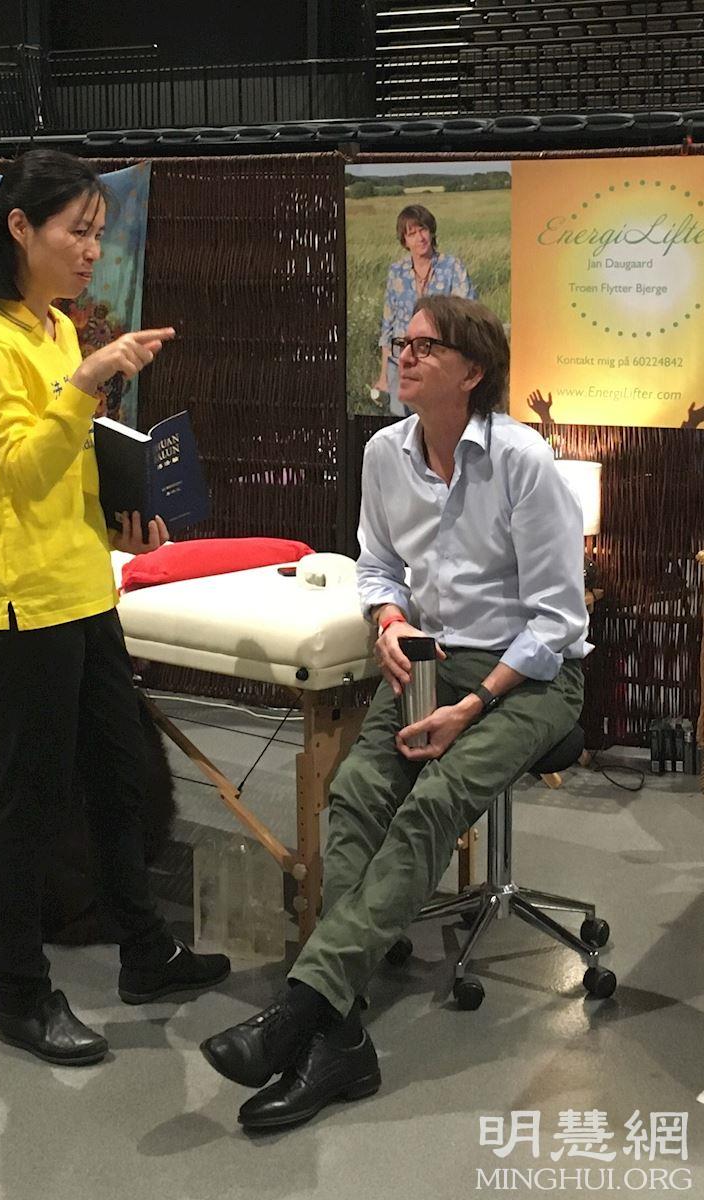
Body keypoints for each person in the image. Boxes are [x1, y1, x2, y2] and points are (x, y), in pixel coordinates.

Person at [201, 295, 589, 1131]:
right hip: (428, 661)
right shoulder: (385, 454)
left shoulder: (524, 461)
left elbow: (559, 622)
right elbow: (377, 564)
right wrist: (388, 622)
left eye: (424, 345)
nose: (403, 355)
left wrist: (473, 706)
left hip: (530, 676)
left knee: (434, 802)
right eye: (400, 342)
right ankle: (339, 1034)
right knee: (353, 798)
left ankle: (303, 1011)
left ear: (472, 371)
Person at [0, 149, 229, 1067]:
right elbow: (23, 472)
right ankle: (20, 995)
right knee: (31, 800)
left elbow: (69, 466)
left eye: (99, 234)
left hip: (85, 588)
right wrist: (88, 379)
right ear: (19, 228)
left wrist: (122, 516)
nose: (92, 250)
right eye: (78, 231)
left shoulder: (58, 330)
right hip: (24, 606)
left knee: (119, 772)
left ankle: (144, 950)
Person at [372, 203, 478, 416]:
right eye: (412, 234)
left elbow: (467, 318)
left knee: (434, 420)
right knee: (400, 422)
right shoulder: (396, 272)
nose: (420, 238)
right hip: (400, 361)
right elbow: (388, 324)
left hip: (437, 362)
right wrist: (383, 376)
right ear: (404, 240)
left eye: (423, 230)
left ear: (431, 232)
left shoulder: (453, 267)